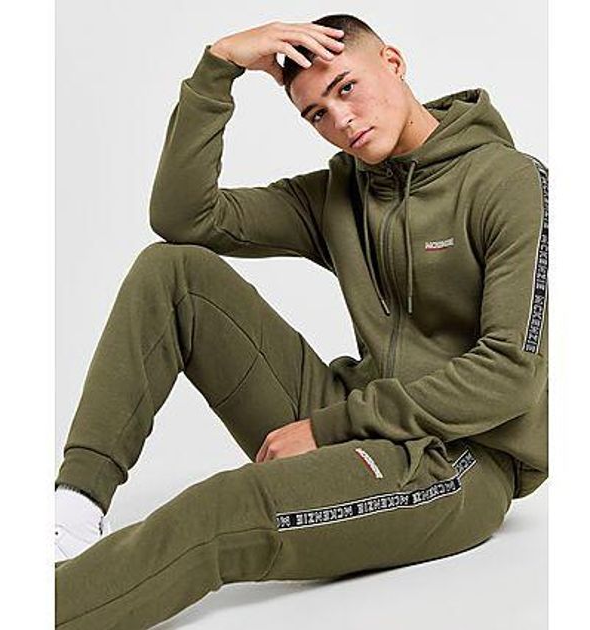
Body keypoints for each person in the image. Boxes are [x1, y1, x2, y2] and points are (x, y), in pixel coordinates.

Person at [54, 14, 548, 629]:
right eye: (317, 113)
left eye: (347, 88)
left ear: (393, 63)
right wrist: (219, 67)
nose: (341, 120)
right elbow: (185, 219)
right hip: (357, 415)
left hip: (457, 461)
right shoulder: (340, 195)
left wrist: (327, 427)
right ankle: (71, 516)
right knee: (172, 270)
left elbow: (510, 375)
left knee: (224, 508)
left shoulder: (508, 181)